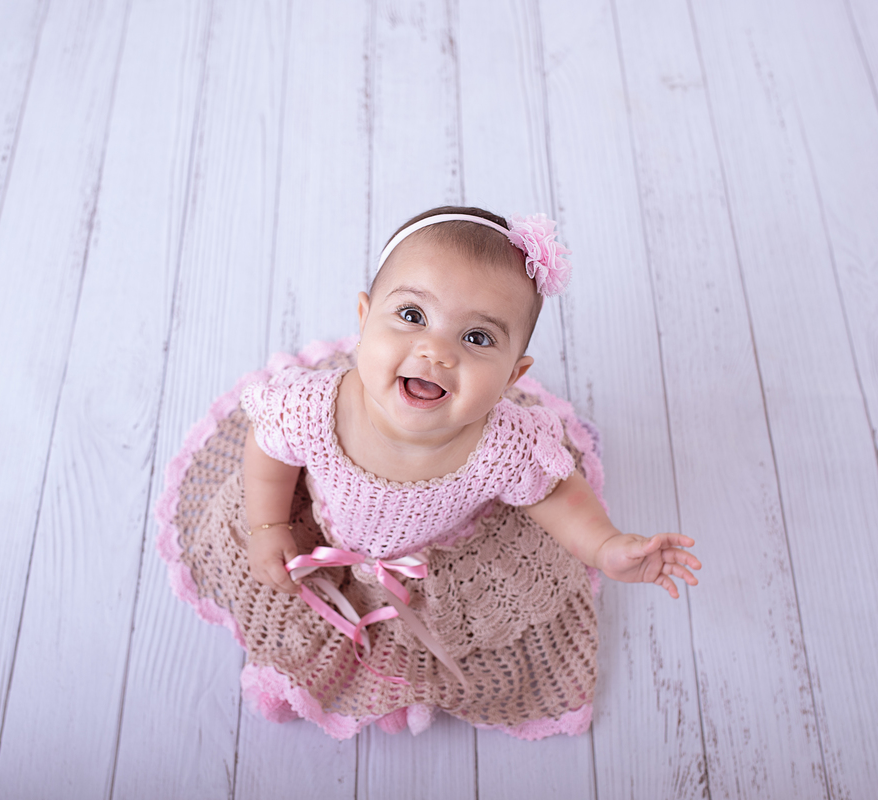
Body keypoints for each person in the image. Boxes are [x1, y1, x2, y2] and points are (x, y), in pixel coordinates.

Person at [156, 206, 700, 741]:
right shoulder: (313, 407)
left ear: (512, 376)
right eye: (413, 315)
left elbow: (555, 493)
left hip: (438, 562)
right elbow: (269, 450)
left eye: (477, 338)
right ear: (365, 318)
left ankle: (397, 688)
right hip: (324, 533)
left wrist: (604, 545)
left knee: (445, 644)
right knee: (285, 607)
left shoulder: (502, 444)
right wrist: (269, 525)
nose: (436, 351)